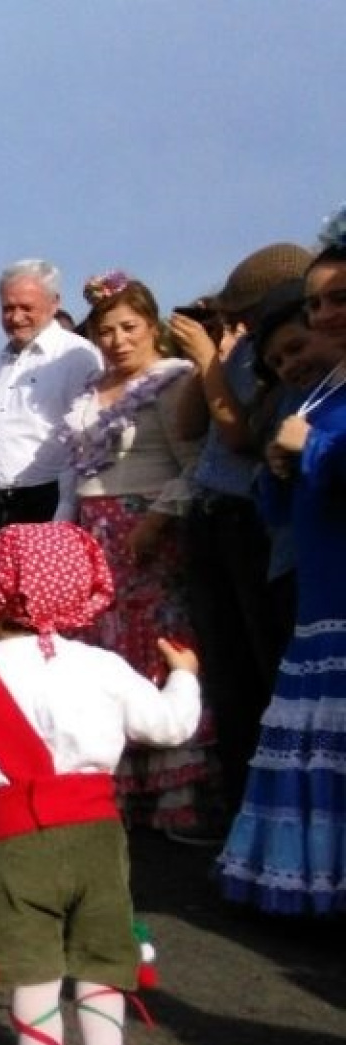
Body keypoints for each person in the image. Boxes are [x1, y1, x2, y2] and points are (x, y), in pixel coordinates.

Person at [0, 523, 200, 1045]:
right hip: (97, 843)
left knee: (32, 971)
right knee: (102, 962)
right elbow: (170, 726)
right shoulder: (104, 667)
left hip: (17, 847)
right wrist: (184, 677)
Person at [217, 236, 346, 916]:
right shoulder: (318, 399)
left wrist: (314, 449)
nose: (323, 319)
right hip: (320, 597)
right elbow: (285, 510)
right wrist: (277, 469)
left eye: (336, 302)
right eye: (278, 361)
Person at [61, 273, 214, 839]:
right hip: (94, 529)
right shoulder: (90, 393)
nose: (118, 339)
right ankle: (115, 791)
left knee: (156, 649)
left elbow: (194, 460)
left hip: (148, 526)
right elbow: (73, 478)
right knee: (104, 656)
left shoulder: (170, 382)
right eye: (107, 330)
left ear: (152, 327)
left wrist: (158, 516)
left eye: (129, 327)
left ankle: (178, 797)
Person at [176, 244, 312, 806]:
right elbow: (190, 425)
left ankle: (268, 806)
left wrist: (210, 358)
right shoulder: (242, 350)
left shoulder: (284, 359)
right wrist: (203, 362)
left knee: (260, 668)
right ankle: (240, 807)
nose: (240, 323)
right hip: (207, 518)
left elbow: (238, 435)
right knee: (226, 674)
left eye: (246, 312)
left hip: (249, 522)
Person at [0, 261, 103, 562]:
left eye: (26, 307)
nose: (15, 317)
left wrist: (61, 523)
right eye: (7, 308)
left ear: (54, 303)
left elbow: (83, 446)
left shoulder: (77, 356)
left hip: (47, 506)